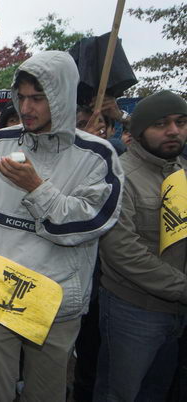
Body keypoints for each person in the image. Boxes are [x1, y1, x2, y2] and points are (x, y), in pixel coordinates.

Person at [0, 51, 124, 402]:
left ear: (61, 96)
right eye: (23, 97)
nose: (27, 107)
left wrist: (37, 188)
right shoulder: (0, 141)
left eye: (39, 97)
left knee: (45, 393)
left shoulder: (97, 155)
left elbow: (91, 221)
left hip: (55, 299)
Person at [94, 90, 187, 402]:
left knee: (155, 392)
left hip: (175, 313)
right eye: (161, 124)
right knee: (120, 394)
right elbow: (122, 251)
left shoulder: (180, 172)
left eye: (181, 122)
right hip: (132, 313)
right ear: (138, 131)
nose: (173, 131)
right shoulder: (117, 176)